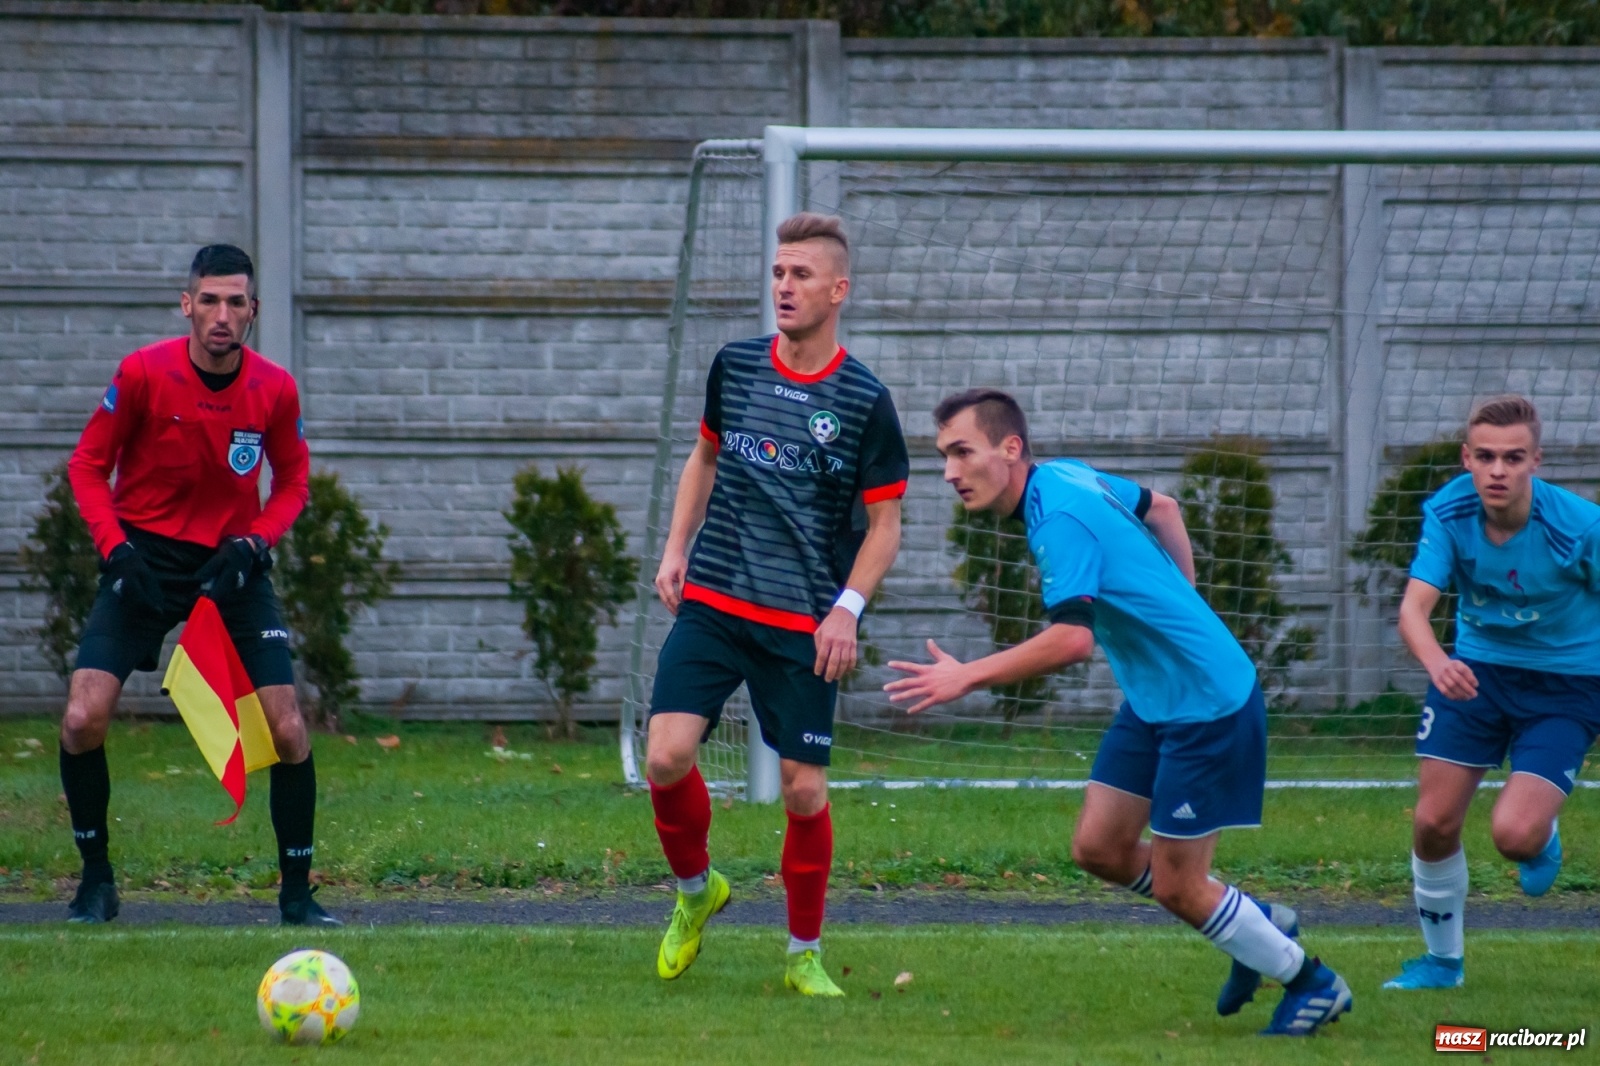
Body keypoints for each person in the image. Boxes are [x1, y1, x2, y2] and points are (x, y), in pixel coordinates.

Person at [885, 389, 1350, 1035]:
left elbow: (1072, 640)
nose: (950, 472)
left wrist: (967, 676)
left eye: (962, 452)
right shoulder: (1065, 474)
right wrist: (1184, 601)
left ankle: (1313, 981)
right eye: (943, 456)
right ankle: (1256, 926)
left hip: (1208, 705)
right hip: (1159, 699)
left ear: (1009, 448)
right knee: (1100, 847)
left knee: (1177, 886)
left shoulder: (1056, 519)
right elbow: (1164, 507)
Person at [647, 213, 908, 996]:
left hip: (803, 621)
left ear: (839, 289)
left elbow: (886, 524)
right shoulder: (734, 367)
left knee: (803, 789)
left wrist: (847, 609)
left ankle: (802, 954)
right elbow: (704, 455)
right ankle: (698, 894)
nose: (783, 287)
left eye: (800, 275)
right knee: (664, 756)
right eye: (777, 273)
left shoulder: (865, 400)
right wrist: (674, 547)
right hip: (716, 601)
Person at [59, 244, 336, 927]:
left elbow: (293, 482)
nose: (221, 314)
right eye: (208, 300)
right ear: (187, 304)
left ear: (253, 311)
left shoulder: (273, 388)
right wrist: (115, 550)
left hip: (232, 567)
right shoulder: (143, 373)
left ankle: (297, 897)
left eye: (234, 302)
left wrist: (255, 543)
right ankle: (96, 882)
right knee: (81, 717)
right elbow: (89, 466)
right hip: (142, 561)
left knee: (289, 728)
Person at [1383, 395, 1600, 990]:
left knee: (1513, 836)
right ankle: (1441, 963)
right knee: (1432, 822)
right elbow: (1414, 609)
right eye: (1485, 457)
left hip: (1568, 684)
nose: (1498, 470)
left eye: (1513, 457)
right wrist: (1437, 662)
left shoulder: (1579, 527)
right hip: (1476, 675)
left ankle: (1539, 831)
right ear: (1467, 459)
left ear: (1536, 460)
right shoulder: (1448, 513)